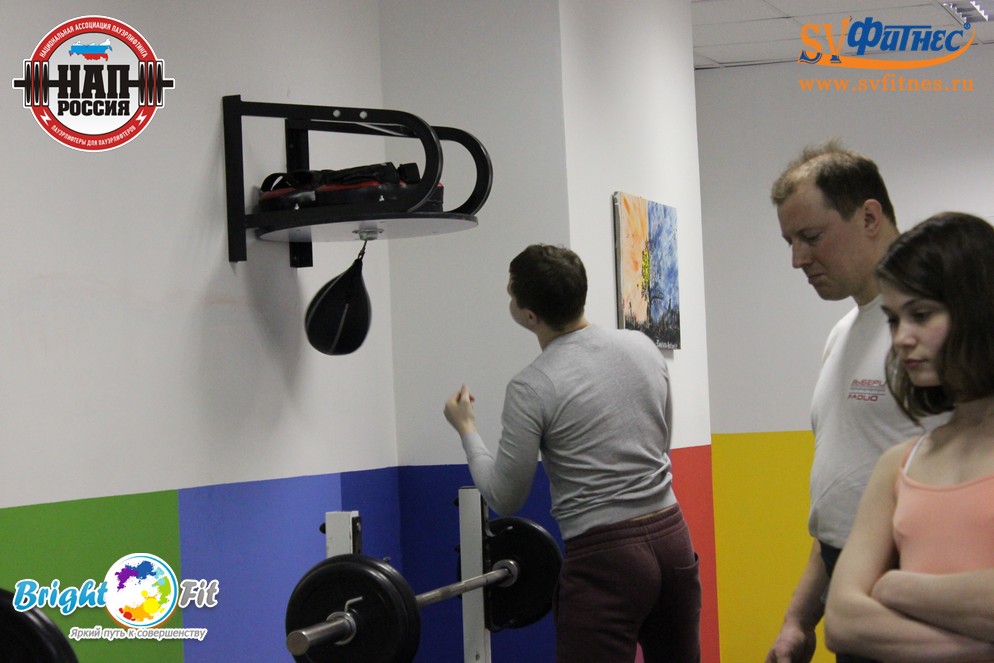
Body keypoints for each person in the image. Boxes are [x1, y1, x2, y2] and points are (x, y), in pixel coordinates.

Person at [442, 244, 701, 663]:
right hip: (673, 539)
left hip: (607, 559)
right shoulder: (642, 346)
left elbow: (505, 497)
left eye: (511, 295)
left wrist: (467, 429)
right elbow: (661, 442)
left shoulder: (532, 385)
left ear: (530, 316)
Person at [766, 140, 947, 663]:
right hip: (852, 585)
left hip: (921, 592)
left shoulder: (941, 332)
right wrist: (799, 619)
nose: (798, 259)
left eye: (811, 237)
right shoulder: (843, 333)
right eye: (790, 242)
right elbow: (842, 506)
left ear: (869, 217)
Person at [824, 212, 994, 661]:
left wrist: (897, 587)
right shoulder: (901, 462)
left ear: (978, 310)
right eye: (894, 320)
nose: (901, 338)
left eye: (921, 315)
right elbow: (842, 620)